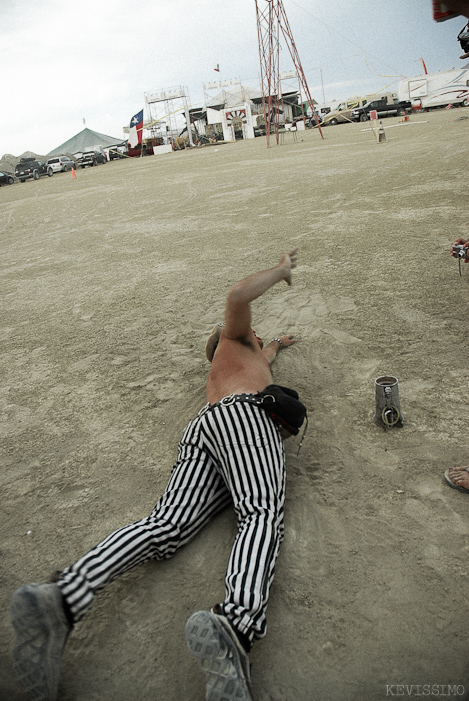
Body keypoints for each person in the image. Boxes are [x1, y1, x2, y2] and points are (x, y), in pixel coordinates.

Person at [10, 249, 303, 701]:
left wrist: (280, 344)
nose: (257, 337)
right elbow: (237, 295)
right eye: (252, 335)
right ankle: (236, 624)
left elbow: (267, 354)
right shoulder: (234, 340)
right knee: (261, 511)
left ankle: (62, 598)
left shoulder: (244, 359)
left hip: (208, 432)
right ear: (228, 338)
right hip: (245, 421)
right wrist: (281, 270)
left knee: (165, 526)